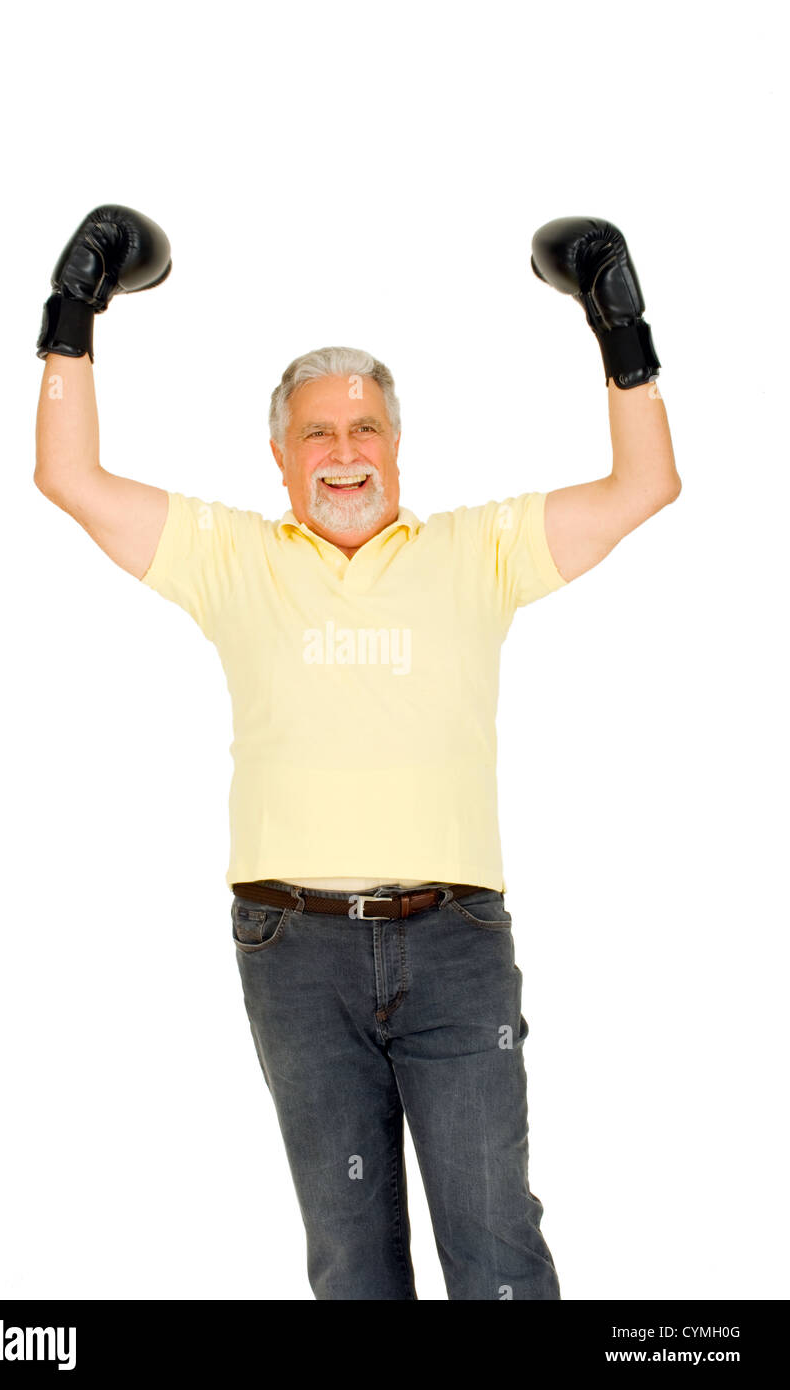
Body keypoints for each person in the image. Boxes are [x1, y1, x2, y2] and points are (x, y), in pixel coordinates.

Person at [34, 207, 681, 1300]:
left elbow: (643, 487)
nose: (344, 454)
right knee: (351, 1259)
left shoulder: (476, 548)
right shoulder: (230, 555)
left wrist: (620, 327)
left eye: (365, 429)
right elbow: (69, 476)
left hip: (453, 941)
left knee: (494, 1241)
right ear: (280, 457)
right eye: (318, 435)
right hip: (294, 951)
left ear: (396, 445)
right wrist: (72, 311)